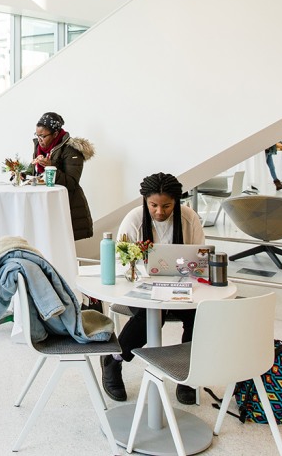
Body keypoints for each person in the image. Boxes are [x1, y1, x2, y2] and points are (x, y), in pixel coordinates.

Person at [101, 172, 203, 405]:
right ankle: (114, 360)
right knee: (152, 317)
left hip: (182, 288)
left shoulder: (189, 219)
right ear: (145, 201)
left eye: (166, 206)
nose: (159, 212)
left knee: (199, 316)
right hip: (140, 287)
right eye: (153, 205)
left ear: (177, 201)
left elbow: (200, 257)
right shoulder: (134, 219)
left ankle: (187, 375)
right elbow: (121, 260)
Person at [29, 112, 95, 241]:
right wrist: (22, 173)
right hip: (43, 205)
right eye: (37, 135)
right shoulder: (39, 147)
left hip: (66, 206)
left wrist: (51, 167)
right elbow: (35, 173)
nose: (39, 139)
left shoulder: (71, 149)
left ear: (55, 134)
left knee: (62, 250)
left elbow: (71, 182)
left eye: (43, 136)